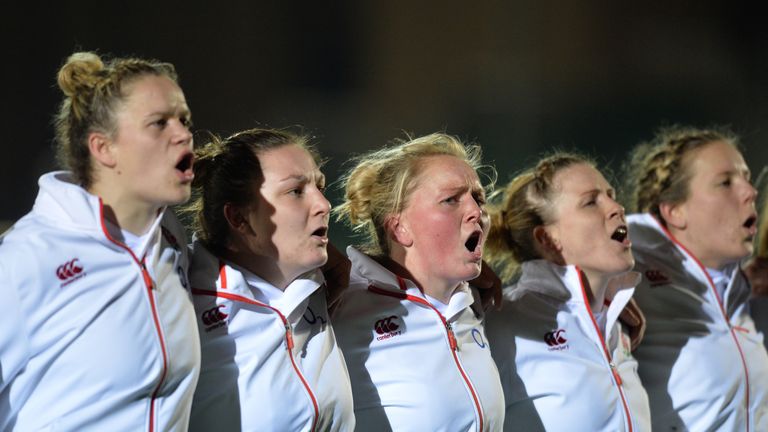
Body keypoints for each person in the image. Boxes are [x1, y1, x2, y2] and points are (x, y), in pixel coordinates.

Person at [0, 52, 200, 430]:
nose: (183, 133)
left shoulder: (168, 239)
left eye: (184, 119)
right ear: (103, 148)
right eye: (159, 123)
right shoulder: (26, 259)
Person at [333, 133, 505, 431]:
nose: (477, 212)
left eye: (478, 198)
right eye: (451, 199)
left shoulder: (472, 302)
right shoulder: (339, 304)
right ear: (400, 228)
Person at [185, 128, 355, 431]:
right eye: (296, 192)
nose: (324, 204)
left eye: (320, 186)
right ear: (239, 218)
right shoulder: (182, 299)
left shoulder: (323, 284)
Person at [482, 154, 651, 431]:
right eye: (590, 202)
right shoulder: (504, 322)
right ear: (547, 239)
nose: (616, 207)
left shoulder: (616, 325)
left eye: (611, 195)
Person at [625, 125, 768, 430]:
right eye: (725, 183)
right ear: (675, 211)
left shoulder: (743, 292)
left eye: (745, 178)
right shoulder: (629, 267)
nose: (750, 191)